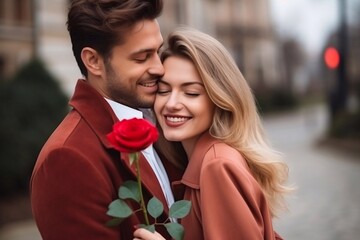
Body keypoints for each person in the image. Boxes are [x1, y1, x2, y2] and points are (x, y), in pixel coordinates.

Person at [30, 0, 185, 239]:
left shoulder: (167, 124)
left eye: (158, 52)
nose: (159, 68)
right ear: (93, 61)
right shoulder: (66, 159)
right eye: (142, 58)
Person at [133, 27, 292, 240]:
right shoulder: (201, 160)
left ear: (219, 98)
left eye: (191, 93)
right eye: (163, 90)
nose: (171, 104)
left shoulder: (216, 166)